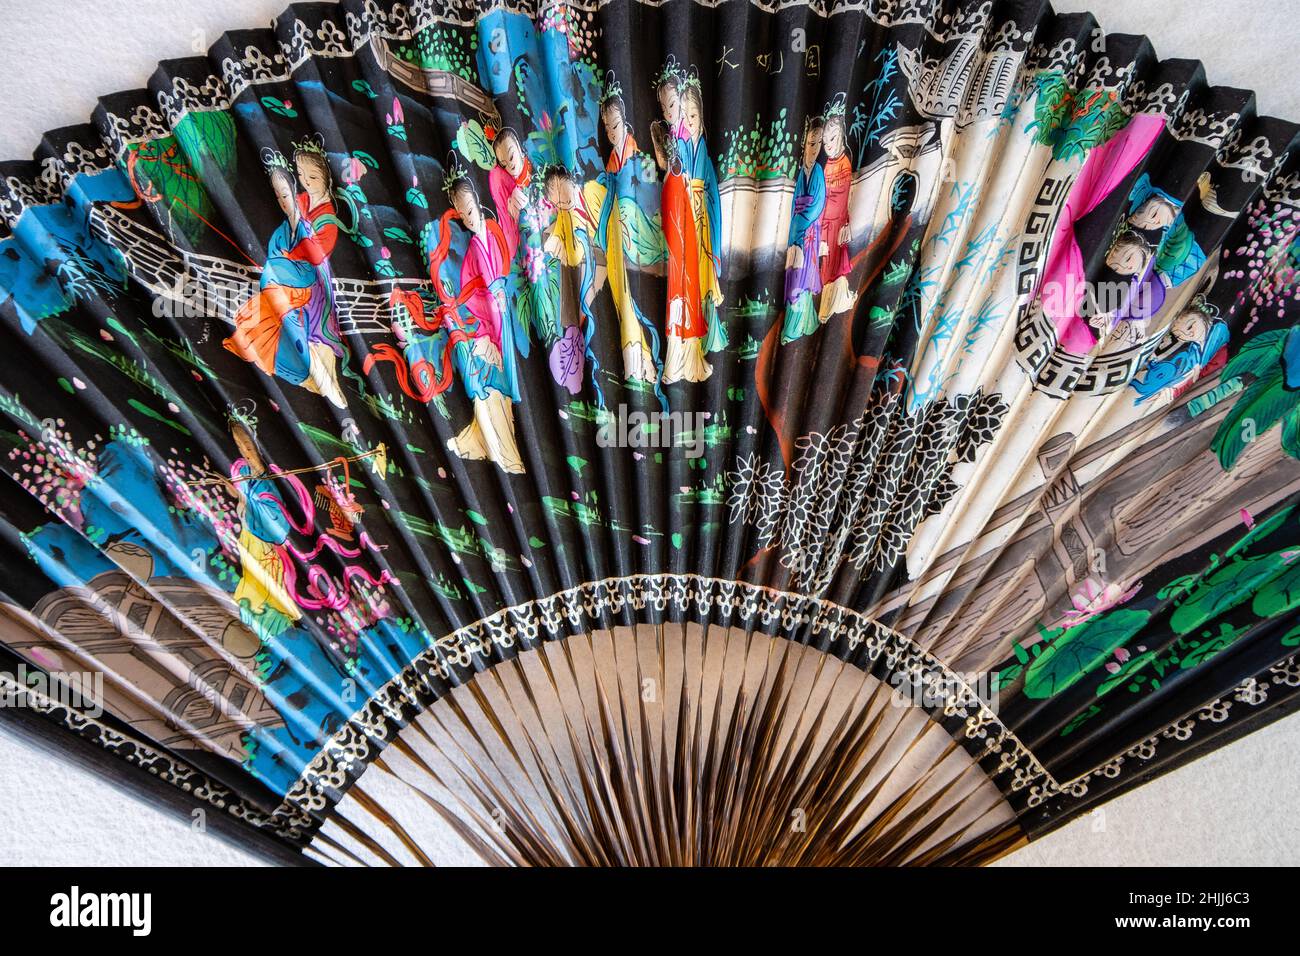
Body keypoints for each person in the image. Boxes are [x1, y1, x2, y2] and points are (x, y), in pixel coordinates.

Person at [224, 153, 348, 408]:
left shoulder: (321, 220)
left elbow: (315, 259)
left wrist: (281, 263)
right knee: (257, 320)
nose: (283, 201)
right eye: (278, 196)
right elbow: (274, 254)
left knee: (274, 290)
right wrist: (279, 263)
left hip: (307, 285)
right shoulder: (285, 225)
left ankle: (314, 371)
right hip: (282, 287)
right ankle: (307, 377)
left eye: (312, 178)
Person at [653, 121, 710, 382]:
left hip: (681, 261)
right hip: (680, 259)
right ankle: (681, 365)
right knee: (681, 310)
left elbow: (674, 227)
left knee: (680, 310)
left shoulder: (674, 183)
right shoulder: (674, 181)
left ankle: (682, 366)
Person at [781, 117, 827, 344]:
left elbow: (817, 204)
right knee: (794, 275)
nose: (813, 148)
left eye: (818, 143)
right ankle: (795, 324)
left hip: (808, 233)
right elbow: (794, 205)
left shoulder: (817, 171)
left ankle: (800, 324)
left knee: (802, 277)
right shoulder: (802, 172)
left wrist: (800, 222)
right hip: (797, 231)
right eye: (810, 143)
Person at [817, 103, 855, 320]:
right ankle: (834, 303)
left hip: (833, 224)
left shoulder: (844, 165)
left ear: (842, 137)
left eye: (833, 139)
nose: (828, 146)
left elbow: (839, 199)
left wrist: (844, 223)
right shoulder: (829, 165)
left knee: (831, 266)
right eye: (825, 142)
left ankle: (827, 308)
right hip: (828, 223)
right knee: (828, 264)